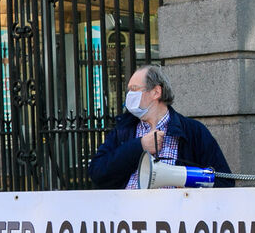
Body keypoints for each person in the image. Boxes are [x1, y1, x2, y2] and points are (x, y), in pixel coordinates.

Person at [88, 64, 234, 189]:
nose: (129, 95)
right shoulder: (123, 130)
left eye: (134, 89)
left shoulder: (193, 132)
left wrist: (187, 186)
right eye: (129, 90)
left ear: (156, 92)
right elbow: (97, 173)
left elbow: (224, 181)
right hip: (129, 211)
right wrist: (139, 146)